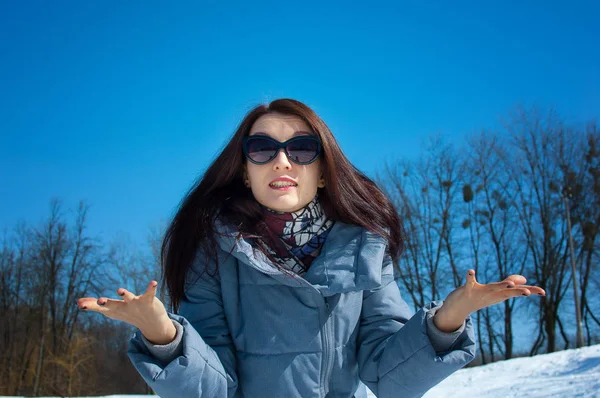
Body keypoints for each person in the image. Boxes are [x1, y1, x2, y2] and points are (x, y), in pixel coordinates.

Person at [77, 98, 545, 398]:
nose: (282, 159)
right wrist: (163, 335)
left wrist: (448, 319)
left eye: (301, 149)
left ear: (322, 171)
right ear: (244, 169)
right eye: (261, 148)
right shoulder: (211, 253)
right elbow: (214, 389)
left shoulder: (365, 250)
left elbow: (389, 376)